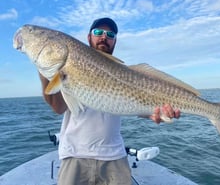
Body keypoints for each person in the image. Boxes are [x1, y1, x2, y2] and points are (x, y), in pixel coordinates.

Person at [39, 17, 180, 185]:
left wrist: (157, 114)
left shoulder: (124, 74)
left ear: (115, 41)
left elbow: (134, 103)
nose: (103, 37)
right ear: (89, 37)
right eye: (98, 32)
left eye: (110, 34)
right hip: (75, 155)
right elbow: (59, 107)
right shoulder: (70, 67)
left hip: (114, 157)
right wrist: (44, 70)